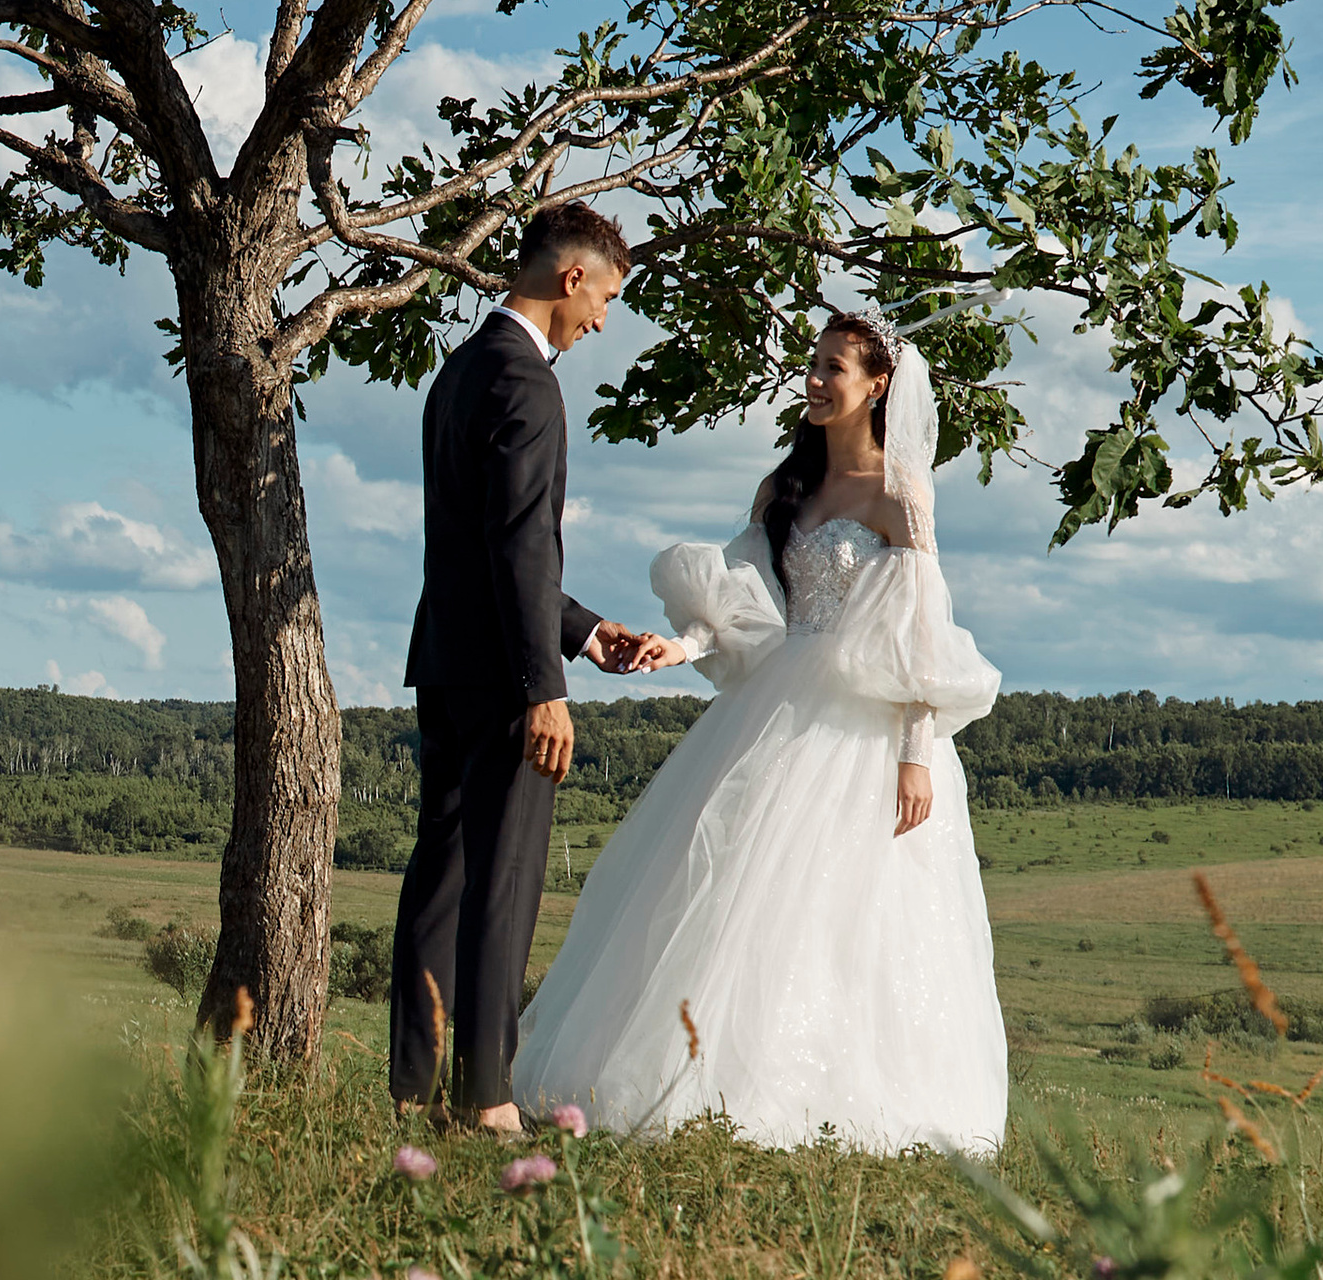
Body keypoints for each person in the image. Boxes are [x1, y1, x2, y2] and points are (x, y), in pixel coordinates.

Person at [505, 312, 1006, 1154]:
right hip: (777, 705)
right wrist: (681, 645)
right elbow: (743, 596)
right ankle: (696, 1077)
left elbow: (920, 637)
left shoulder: (901, 499)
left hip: (869, 725)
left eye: (834, 367)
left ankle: (839, 1095)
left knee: (847, 909)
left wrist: (917, 755)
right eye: (812, 363)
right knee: (727, 886)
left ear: (877, 386)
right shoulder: (784, 488)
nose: (815, 379)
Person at [388, 201, 666, 1129]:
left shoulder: (462, 369)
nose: (602, 321)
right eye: (606, 300)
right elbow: (519, 544)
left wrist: (584, 630)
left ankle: (413, 1090)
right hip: (507, 675)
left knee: (440, 882)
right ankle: (486, 1101)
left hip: (447, 662)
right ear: (571, 277)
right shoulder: (531, 384)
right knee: (501, 888)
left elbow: (482, 545)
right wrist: (546, 686)